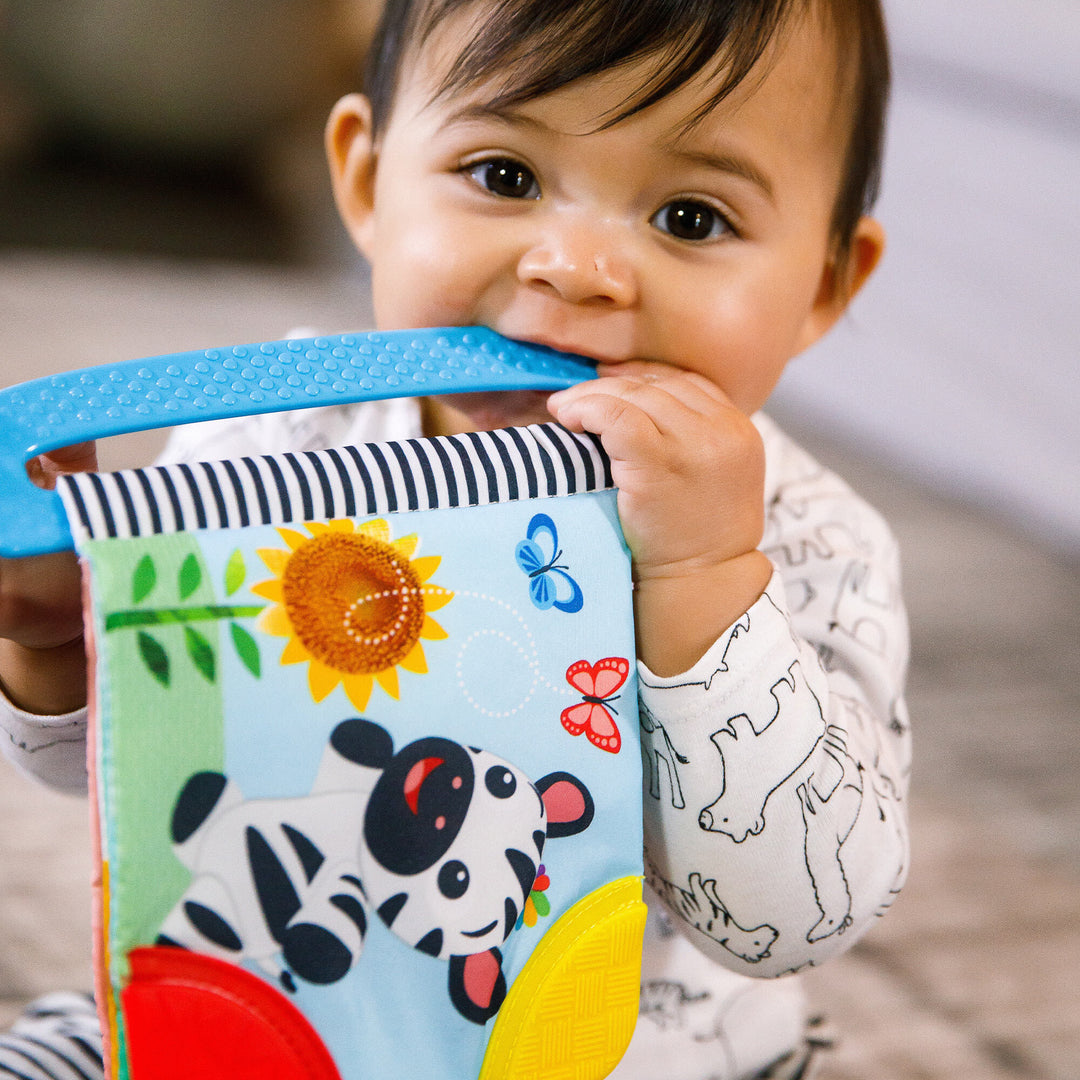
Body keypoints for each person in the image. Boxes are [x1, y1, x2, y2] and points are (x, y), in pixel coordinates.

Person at [0, 0, 912, 1076]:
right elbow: (152, 765)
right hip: (301, 996)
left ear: (821, 284)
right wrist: (60, 646)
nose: (575, 269)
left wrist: (703, 574)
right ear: (365, 182)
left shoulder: (810, 541)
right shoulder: (277, 436)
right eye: (505, 176)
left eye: (691, 218)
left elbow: (796, 914)